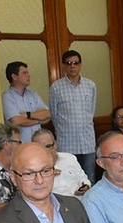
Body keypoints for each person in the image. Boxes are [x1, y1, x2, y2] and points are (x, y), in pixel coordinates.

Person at [50, 50, 97, 183]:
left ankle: (88, 204)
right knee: (68, 179)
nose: (72, 66)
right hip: (67, 143)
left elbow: (91, 111)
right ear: (64, 66)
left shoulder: (90, 86)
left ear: (80, 65)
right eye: (69, 63)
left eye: (75, 63)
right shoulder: (56, 88)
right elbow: (54, 115)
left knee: (89, 178)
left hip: (87, 141)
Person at [1, 61, 51, 142]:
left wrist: (27, 114)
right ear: (14, 76)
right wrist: (39, 119)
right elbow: (17, 121)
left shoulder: (33, 95)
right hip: (20, 145)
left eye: (28, 72)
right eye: (24, 73)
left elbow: (47, 114)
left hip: (38, 144)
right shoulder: (7, 97)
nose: (28, 75)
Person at [31, 129, 90, 197]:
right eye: (41, 148)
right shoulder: (34, 169)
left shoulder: (70, 158)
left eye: (48, 146)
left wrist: (86, 186)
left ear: (55, 144)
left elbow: (83, 178)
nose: (45, 151)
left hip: (80, 201)